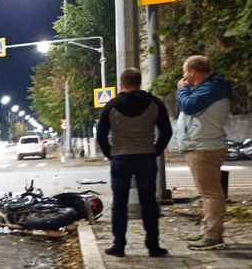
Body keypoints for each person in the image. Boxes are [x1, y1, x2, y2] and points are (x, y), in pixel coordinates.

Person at [97, 68, 172, 258]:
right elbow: (166, 131)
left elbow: (101, 136)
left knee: (119, 202)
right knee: (149, 202)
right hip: (146, 157)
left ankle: (119, 246)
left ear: (122, 84)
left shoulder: (111, 106)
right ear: (139, 82)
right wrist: (155, 150)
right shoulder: (154, 103)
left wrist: (111, 154)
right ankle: (153, 246)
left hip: (120, 158)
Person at [176, 55, 231, 250]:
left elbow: (189, 106)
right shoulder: (207, 88)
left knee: (211, 193)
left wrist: (181, 90)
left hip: (204, 146)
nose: (184, 77)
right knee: (208, 192)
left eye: (185, 72)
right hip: (202, 144)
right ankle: (208, 229)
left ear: (192, 72)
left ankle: (212, 235)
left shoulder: (212, 88)